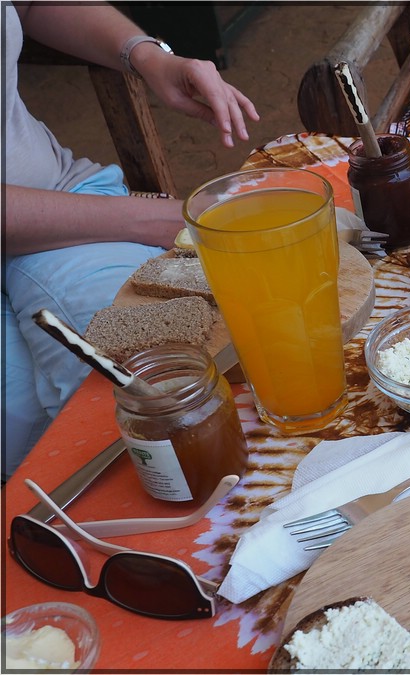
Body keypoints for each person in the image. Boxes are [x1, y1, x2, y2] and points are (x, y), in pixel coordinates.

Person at [3, 2, 260, 480]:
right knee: (62, 450)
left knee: (169, 393)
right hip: (89, 219)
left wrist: (147, 55)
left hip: (59, 201)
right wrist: (141, 220)